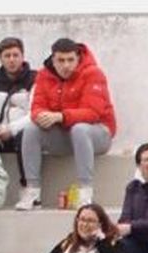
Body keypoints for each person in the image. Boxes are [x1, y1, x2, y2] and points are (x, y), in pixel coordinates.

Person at [15, 38, 114, 210]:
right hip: (66, 135)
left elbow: (92, 113)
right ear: (53, 59)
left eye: (70, 60)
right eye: (61, 60)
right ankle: (33, 192)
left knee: (80, 129)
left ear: (78, 58)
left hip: (98, 135)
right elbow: (36, 107)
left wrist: (60, 116)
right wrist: (42, 116)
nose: (66, 65)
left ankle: (85, 192)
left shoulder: (93, 73)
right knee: (31, 129)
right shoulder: (44, 75)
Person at [0, 37, 34, 184]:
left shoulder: (35, 79)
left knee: (27, 135)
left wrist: (11, 129)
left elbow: (34, 112)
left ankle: (28, 186)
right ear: (0, 58)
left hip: (21, 132)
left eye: (15, 55)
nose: (12, 60)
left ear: (22, 56)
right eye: (7, 56)